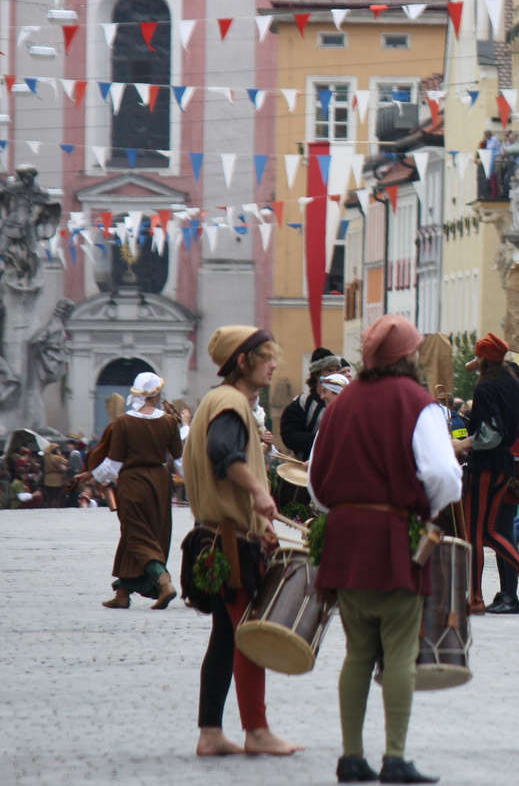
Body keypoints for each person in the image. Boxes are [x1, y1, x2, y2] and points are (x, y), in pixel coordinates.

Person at [307, 315, 461, 785]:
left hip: (346, 538)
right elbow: (444, 477)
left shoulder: (339, 404)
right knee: (397, 651)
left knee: (357, 652)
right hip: (395, 535)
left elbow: (314, 481)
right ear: (406, 357)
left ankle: (351, 757)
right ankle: (394, 758)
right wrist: (421, 513)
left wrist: (346, 506)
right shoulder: (418, 403)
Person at [178, 326, 302, 758]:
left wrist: (258, 519)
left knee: (227, 638)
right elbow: (222, 453)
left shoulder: (220, 401)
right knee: (248, 635)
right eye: (267, 357)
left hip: (222, 534)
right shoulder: (229, 403)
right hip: (229, 542)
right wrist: (258, 491)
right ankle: (257, 730)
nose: (274, 365)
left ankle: (211, 732)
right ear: (244, 361)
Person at [458, 334, 519, 616]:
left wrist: (462, 443)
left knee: (475, 534)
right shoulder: (512, 383)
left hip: (486, 464)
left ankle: (477, 598)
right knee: (489, 531)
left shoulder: (486, 387)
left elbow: (489, 434)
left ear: (482, 359)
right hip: (503, 465)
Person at [96, 372, 184, 608]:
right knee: (140, 535)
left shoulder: (124, 421)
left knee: (136, 536)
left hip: (132, 483)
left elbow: (113, 464)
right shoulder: (168, 421)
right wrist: (195, 484)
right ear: (156, 395)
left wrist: (94, 476)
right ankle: (122, 593)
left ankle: (163, 581)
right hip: (159, 484)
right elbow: (180, 461)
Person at [278, 349, 343, 461]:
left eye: (337, 370)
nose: (335, 375)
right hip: (305, 467)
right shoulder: (302, 403)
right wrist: (322, 440)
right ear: (317, 374)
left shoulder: (347, 402)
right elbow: (289, 436)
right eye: (330, 371)